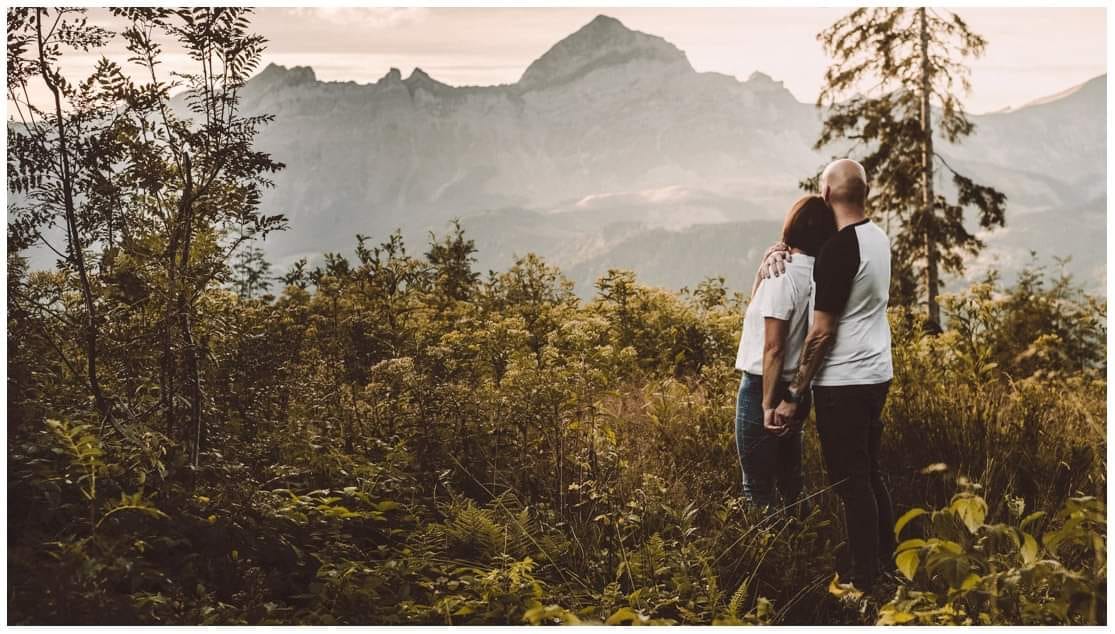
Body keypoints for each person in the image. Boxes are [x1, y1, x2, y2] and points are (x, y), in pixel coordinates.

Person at [765, 159, 896, 592]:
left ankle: (864, 582)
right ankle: (884, 563)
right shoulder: (876, 238)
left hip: (846, 381)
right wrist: (778, 250)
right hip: (877, 372)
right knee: (871, 472)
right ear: (864, 193)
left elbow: (821, 334)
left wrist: (792, 396)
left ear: (825, 195)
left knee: (850, 482)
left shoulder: (841, 249)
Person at [733, 195, 837, 512]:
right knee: (791, 483)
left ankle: (769, 559)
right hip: (797, 390)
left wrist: (766, 405)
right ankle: (801, 546)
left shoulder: (784, 275)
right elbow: (759, 306)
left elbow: (774, 347)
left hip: (763, 387)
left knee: (757, 489)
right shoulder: (821, 275)